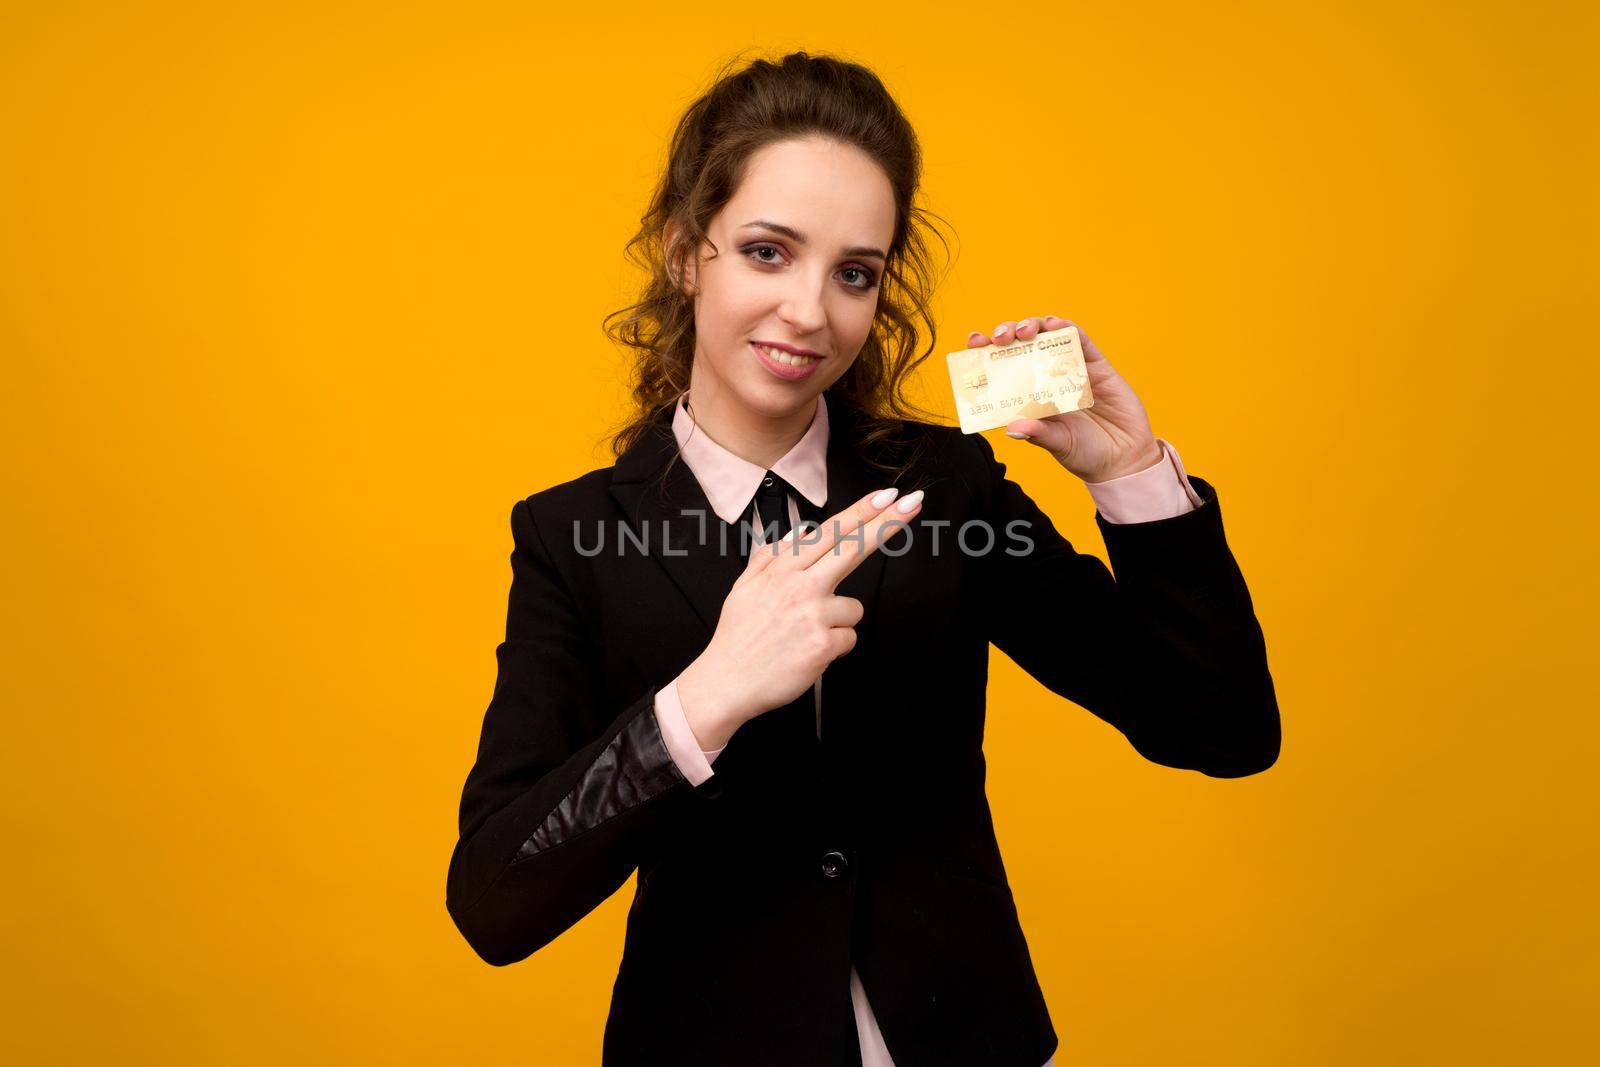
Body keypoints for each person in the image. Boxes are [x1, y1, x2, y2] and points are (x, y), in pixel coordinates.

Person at [445, 50, 1281, 1066]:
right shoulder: (572, 537)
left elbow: (1222, 726)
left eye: (854, 272)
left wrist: (1132, 473)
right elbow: (493, 897)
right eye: (765, 252)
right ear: (681, 253)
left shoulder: (944, 487)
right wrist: (705, 696)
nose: (809, 311)